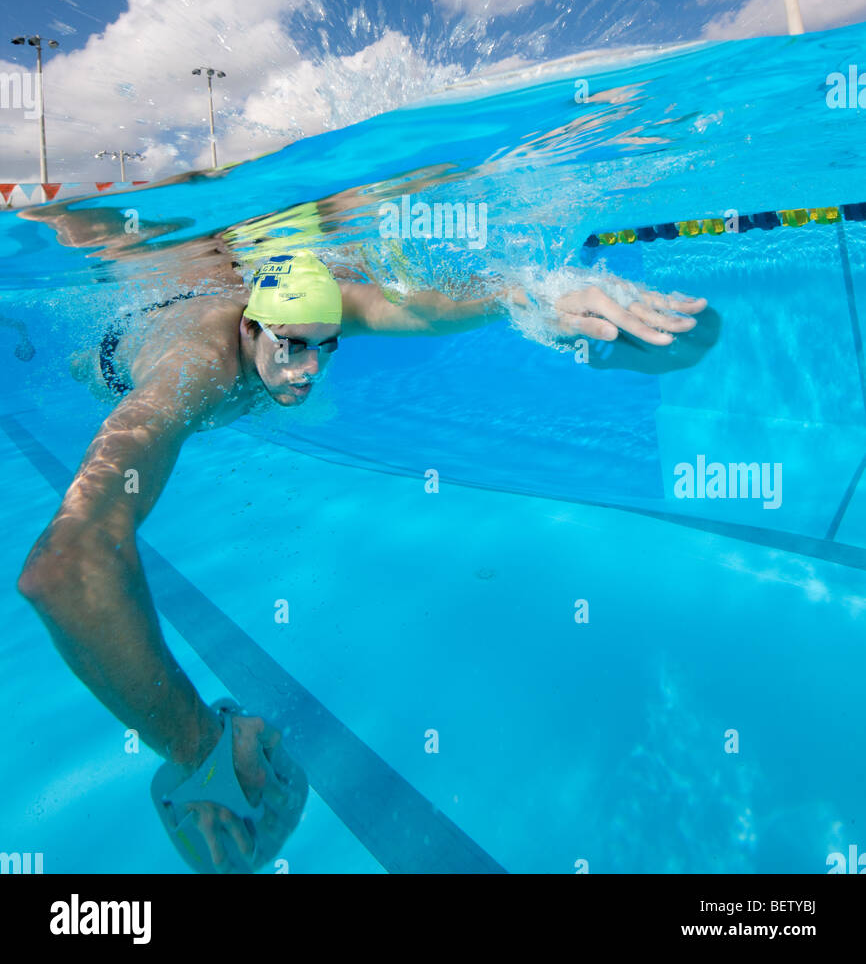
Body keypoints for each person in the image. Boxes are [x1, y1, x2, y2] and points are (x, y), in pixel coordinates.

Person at [17, 237, 715, 873]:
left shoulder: (301, 308)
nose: (309, 369)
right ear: (249, 329)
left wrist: (532, 294)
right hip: (125, 347)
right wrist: (199, 749)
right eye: (292, 347)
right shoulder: (195, 370)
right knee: (87, 367)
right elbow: (65, 568)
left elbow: (418, 309)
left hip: (204, 311)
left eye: (326, 347)